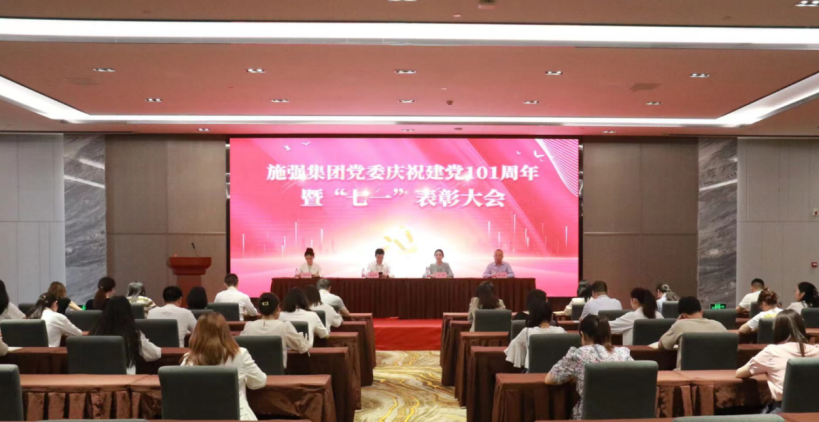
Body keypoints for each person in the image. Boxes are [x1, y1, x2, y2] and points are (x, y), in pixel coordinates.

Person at [545, 315, 633, 420]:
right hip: (623, 416)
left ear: (582, 335)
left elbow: (550, 379)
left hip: (588, 416)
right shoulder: (623, 353)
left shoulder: (579, 354)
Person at [182, 312, 266, 421]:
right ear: (225, 332)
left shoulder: (188, 359)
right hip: (238, 416)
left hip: (201, 417)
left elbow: (184, 392)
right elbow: (259, 382)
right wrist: (243, 378)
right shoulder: (240, 354)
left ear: (197, 333)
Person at [737, 310, 819, 414]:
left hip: (783, 411)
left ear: (777, 330)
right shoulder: (817, 350)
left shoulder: (772, 351)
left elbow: (740, 373)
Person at [90, 296, 161, 374]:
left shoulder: (96, 330)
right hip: (126, 376)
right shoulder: (132, 332)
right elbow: (154, 354)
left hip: (97, 376)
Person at [240, 292, 310, 368]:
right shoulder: (284, 326)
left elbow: (240, 348)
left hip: (252, 372)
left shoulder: (249, 326)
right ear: (278, 308)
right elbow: (303, 347)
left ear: (259, 310)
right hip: (277, 372)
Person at [658, 296, 728, 369]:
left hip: (686, 374)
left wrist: (676, 322)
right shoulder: (719, 326)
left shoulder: (680, 325)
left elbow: (662, 345)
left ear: (683, 316)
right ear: (701, 311)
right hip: (718, 373)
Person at [505, 301, 566, 369]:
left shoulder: (527, 332)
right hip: (557, 373)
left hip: (532, 372)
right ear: (551, 316)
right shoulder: (561, 331)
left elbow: (512, 348)